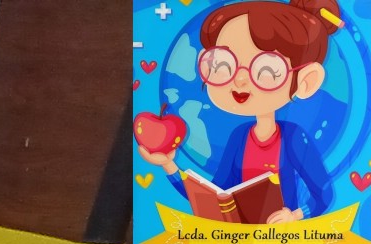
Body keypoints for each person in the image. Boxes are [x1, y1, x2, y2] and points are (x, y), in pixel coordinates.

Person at [138, 5, 341, 227]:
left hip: (281, 238)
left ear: (305, 81)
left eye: (267, 69)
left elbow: (324, 195)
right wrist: (169, 165)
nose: (240, 80)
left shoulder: (293, 137)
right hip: (238, 237)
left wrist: (294, 215)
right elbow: (217, 195)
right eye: (223, 64)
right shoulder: (240, 136)